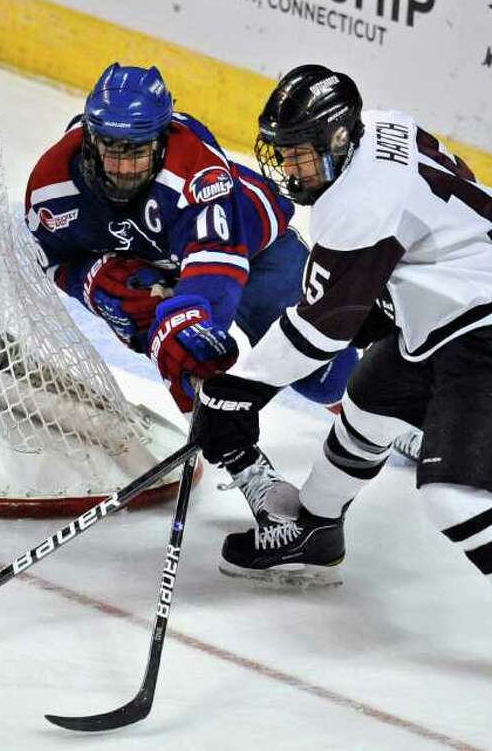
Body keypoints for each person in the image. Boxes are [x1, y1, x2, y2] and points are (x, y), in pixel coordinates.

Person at [193, 64, 492, 705]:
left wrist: (236, 392)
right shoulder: (382, 129)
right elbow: (425, 220)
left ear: (338, 141)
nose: (290, 172)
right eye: (283, 156)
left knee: (457, 497)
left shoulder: (358, 203)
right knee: (366, 408)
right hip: (456, 299)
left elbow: (319, 332)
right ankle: (316, 529)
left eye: (301, 157)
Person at [25, 63, 359, 524]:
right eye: (110, 149)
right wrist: (95, 282)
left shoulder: (195, 166)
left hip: (253, 249)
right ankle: (248, 470)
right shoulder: (52, 185)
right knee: (168, 338)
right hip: (153, 266)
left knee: (320, 372)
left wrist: (195, 326)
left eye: (136, 152)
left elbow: (214, 268)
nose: (122, 167)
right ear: (91, 139)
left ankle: (378, 419)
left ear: (160, 141)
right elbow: (54, 258)